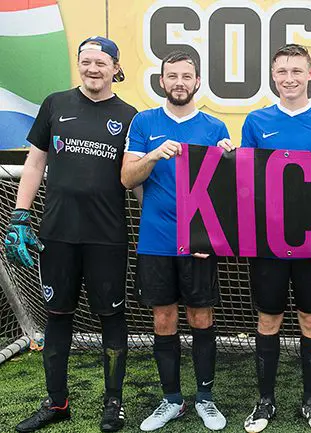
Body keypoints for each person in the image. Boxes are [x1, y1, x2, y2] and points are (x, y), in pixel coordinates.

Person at [8, 36, 136, 433]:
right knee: (57, 316)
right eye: (86, 61)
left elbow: (138, 178)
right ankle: (56, 402)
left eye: (101, 62)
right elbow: (34, 165)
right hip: (57, 236)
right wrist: (19, 215)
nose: (92, 68)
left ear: (116, 67)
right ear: (78, 64)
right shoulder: (55, 104)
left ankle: (113, 403)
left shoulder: (131, 115)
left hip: (107, 236)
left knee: (112, 317)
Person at [121, 51, 230, 432]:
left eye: (186, 75)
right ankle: (171, 400)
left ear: (198, 81)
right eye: (172, 75)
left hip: (198, 243)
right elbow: (127, 178)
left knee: (201, 316)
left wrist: (228, 159)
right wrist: (153, 154)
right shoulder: (144, 122)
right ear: (162, 81)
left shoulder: (214, 128)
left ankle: (205, 398)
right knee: (164, 318)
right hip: (156, 240)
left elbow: (228, 193)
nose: (179, 82)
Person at [237, 44, 311, 433]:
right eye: (282, 71)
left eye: (296, 71)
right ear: (273, 74)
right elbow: (244, 184)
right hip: (267, 243)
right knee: (269, 320)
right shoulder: (255, 121)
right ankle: (265, 402)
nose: (289, 78)